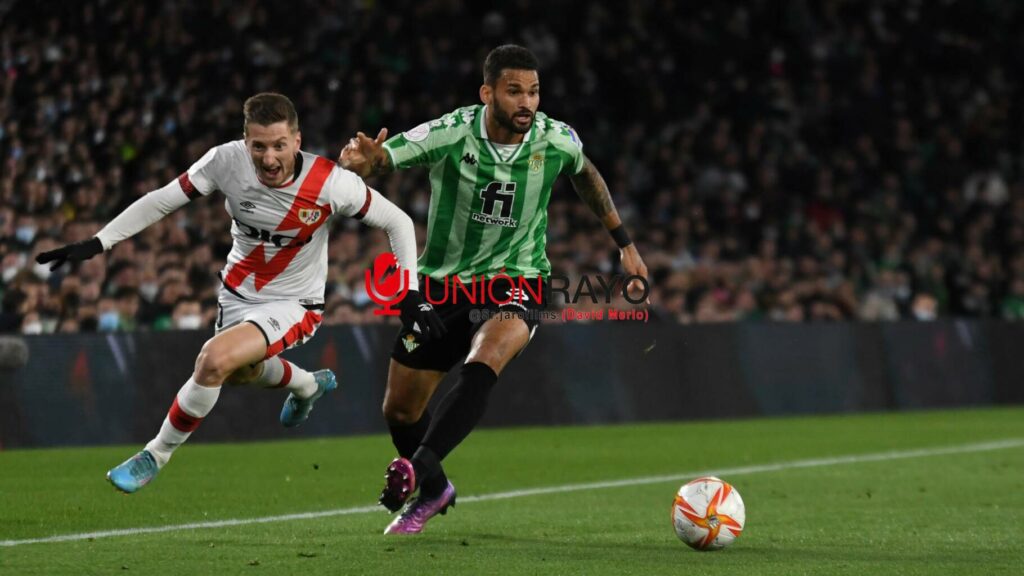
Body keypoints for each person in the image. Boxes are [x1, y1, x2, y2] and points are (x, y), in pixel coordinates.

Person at [36, 93, 445, 493]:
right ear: (245, 140)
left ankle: (153, 455)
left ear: (297, 141)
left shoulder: (330, 183)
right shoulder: (225, 161)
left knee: (213, 360)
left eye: (279, 146)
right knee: (238, 373)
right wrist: (99, 242)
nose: (269, 158)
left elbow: (399, 222)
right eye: (259, 146)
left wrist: (408, 290)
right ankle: (305, 385)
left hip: (295, 303)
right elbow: (162, 201)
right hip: (237, 294)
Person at [340, 45, 648, 534]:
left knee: (487, 355)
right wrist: (369, 159)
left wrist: (624, 243)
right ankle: (436, 488)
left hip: (518, 278)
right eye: (514, 92)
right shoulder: (453, 132)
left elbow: (585, 173)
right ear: (487, 93)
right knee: (399, 409)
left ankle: (415, 471)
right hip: (443, 286)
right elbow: (390, 154)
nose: (527, 102)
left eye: (533, 91)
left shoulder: (555, 140)